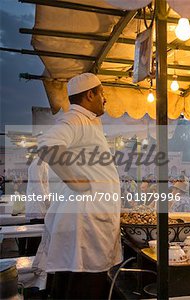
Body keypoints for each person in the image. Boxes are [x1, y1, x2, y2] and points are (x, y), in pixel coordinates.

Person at [36, 73, 122, 299]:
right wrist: (76, 181)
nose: (105, 99)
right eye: (102, 93)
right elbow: (47, 144)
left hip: (89, 222)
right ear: (90, 94)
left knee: (75, 285)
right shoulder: (76, 119)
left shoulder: (89, 120)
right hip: (85, 225)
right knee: (83, 288)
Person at [25, 156, 51, 255]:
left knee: (39, 236)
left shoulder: (45, 164)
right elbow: (38, 186)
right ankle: (31, 258)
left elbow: (46, 185)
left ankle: (36, 258)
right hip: (37, 206)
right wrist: (48, 202)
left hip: (42, 206)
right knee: (35, 236)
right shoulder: (37, 164)